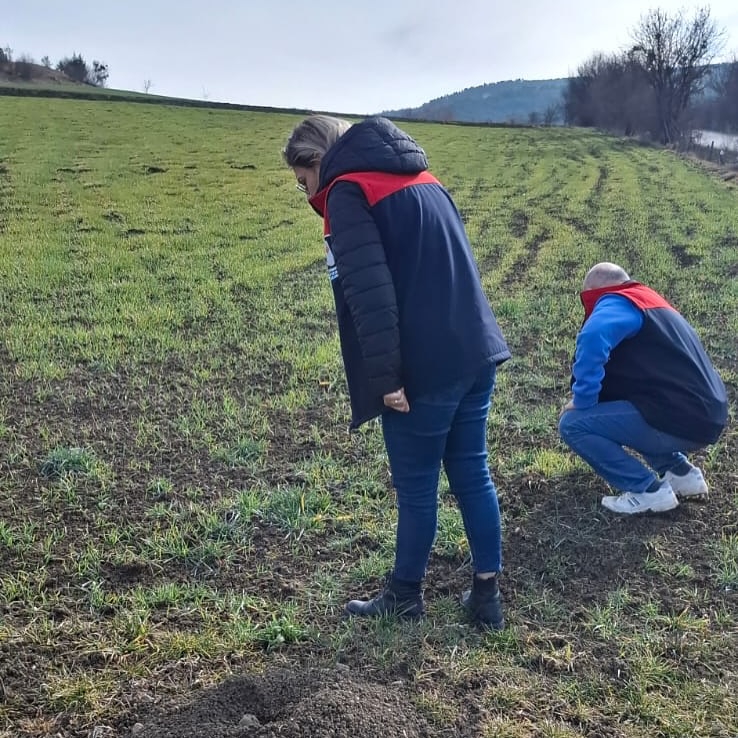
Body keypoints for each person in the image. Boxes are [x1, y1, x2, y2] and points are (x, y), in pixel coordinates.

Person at [282, 115, 511, 628]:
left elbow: (371, 295)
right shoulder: (424, 178)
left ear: (320, 160)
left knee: (416, 488)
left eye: (304, 181)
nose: (306, 195)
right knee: (473, 474)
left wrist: (385, 380)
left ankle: (404, 595)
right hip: (475, 352)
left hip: (424, 368)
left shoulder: (347, 191)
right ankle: (486, 598)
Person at [559, 262, 728, 515]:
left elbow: (593, 336)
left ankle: (647, 491)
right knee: (632, 411)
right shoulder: (652, 302)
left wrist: (583, 399)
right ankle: (680, 473)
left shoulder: (616, 301)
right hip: (706, 414)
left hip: (680, 414)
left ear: (596, 291)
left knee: (572, 424)